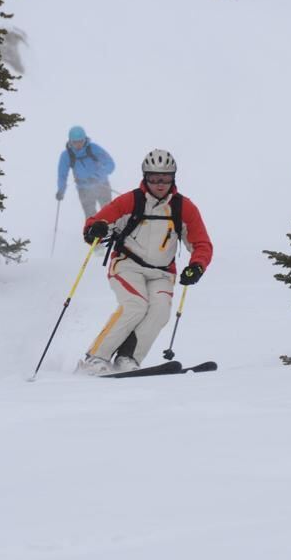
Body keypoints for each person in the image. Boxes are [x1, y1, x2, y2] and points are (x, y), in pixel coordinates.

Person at [76, 149, 213, 375]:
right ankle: (95, 357)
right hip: (127, 265)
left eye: (165, 178)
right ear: (145, 177)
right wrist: (95, 229)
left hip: (162, 272)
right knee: (135, 305)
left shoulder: (183, 207)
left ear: (173, 177)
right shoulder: (131, 201)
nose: (160, 184)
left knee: (160, 311)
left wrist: (197, 265)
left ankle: (127, 358)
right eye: (154, 178)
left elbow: (202, 243)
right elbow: (94, 224)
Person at [56, 125, 116, 218]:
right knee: (91, 217)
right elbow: (62, 175)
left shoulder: (94, 149)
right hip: (83, 188)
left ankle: (111, 230)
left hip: (102, 185)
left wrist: (97, 176)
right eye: (75, 142)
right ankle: (94, 232)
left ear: (85, 139)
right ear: (70, 142)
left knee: (108, 212)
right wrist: (61, 190)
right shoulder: (66, 155)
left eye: (81, 141)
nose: (78, 145)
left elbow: (110, 164)